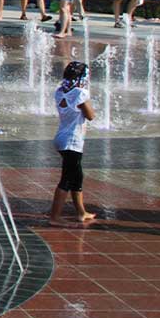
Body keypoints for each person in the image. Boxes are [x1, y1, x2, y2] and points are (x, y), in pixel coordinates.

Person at [48, 62, 97, 227]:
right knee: (67, 179)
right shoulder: (80, 93)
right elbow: (90, 116)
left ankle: (81, 212)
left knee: (77, 177)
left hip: (61, 138)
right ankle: (55, 217)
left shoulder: (60, 91)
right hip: (72, 141)